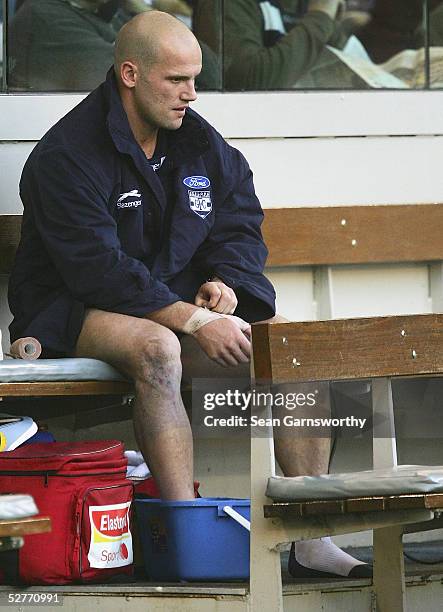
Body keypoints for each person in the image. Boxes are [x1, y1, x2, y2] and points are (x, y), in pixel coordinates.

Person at [8, 10, 370, 580]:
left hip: (167, 303)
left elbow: (239, 222)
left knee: (292, 352)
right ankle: (184, 533)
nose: (191, 94)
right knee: (158, 349)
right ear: (130, 74)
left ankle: (312, 537)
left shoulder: (197, 140)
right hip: (69, 309)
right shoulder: (66, 155)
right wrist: (195, 324)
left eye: (195, 78)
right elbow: (97, 271)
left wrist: (227, 284)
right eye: (177, 80)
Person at [194, 0, 365, 90]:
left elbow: (345, 68)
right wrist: (320, 17)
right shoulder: (227, 4)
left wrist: (330, 22)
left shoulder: (308, 4)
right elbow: (247, 83)